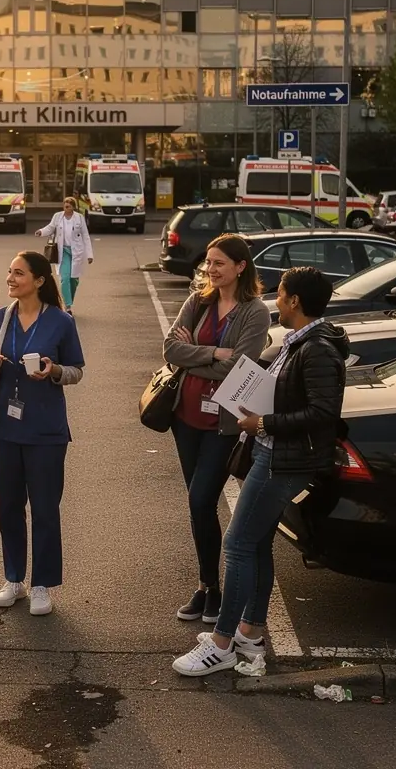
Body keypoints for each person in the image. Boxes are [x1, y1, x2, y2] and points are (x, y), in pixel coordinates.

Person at [172, 266, 348, 676]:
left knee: (236, 545)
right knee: (256, 545)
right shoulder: (301, 340)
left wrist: (264, 424)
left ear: (296, 302)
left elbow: (322, 413)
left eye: (282, 294)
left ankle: (222, 644)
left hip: (281, 459)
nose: (277, 300)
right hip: (274, 452)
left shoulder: (317, 348)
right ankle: (249, 632)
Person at [162, 233, 270, 627]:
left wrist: (196, 359)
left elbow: (242, 366)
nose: (210, 269)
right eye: (208, 262)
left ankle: (216, 588)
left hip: (224, 424)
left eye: (219, 263)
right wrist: (212, 354)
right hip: (186, 417)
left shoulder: (255, 311)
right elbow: (169, 350)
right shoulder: (198, 301)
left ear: (240, 267)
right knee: (200, 503)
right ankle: (208, 586)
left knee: (200, 498)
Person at [0, 251, 85, 616]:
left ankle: (42, 584)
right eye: (9, 272)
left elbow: (76, 371)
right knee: (8, 508)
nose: (10, 278)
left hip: (46, 430)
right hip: (5, 430)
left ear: (39, 280)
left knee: (44, 509)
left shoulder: (61, 322)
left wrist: (54, 371)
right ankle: (14, 579)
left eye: (18, 273)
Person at [34, 197, 93, 315]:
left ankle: (68, 300)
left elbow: (85, 236)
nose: (67, 205)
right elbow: (50, 228)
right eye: (65, 203)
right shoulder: (58, 216)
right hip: (63, 251)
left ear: (73, 206)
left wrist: (89, 254)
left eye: (70, 203)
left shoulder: (79, 218)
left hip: (76, 252)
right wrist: (41, 231)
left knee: (74, 280)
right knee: (65, 278)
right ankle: (68, 306)